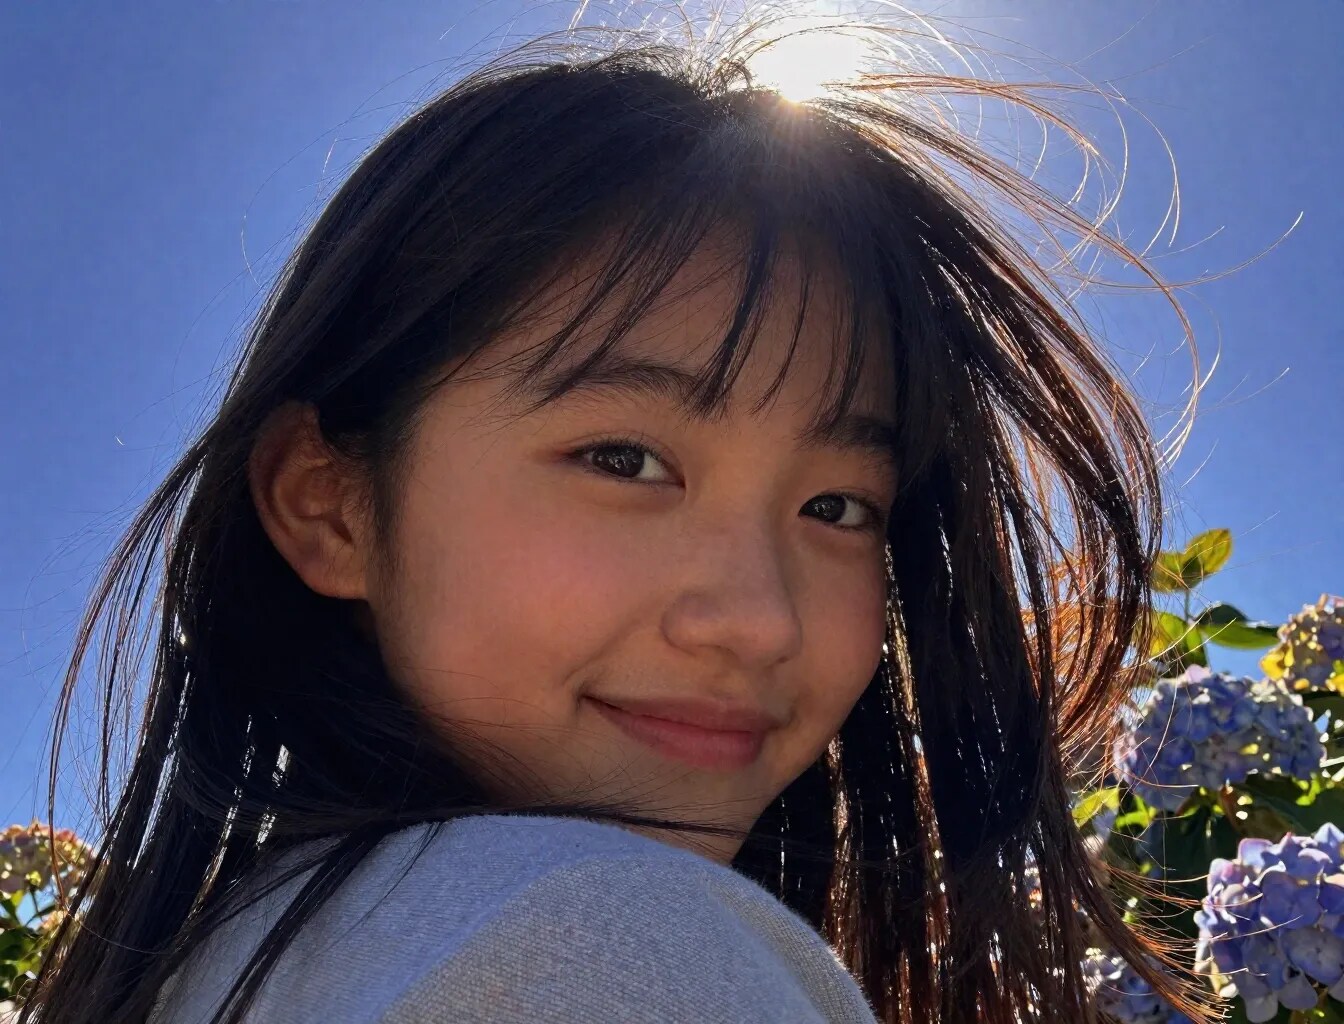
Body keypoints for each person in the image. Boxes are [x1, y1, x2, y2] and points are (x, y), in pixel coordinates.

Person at [23, 12, 1208, 1024]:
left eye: (838, 506)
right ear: (329, 504)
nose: (757, 620)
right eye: (624, 460)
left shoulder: (232, 956)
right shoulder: (600, 937)